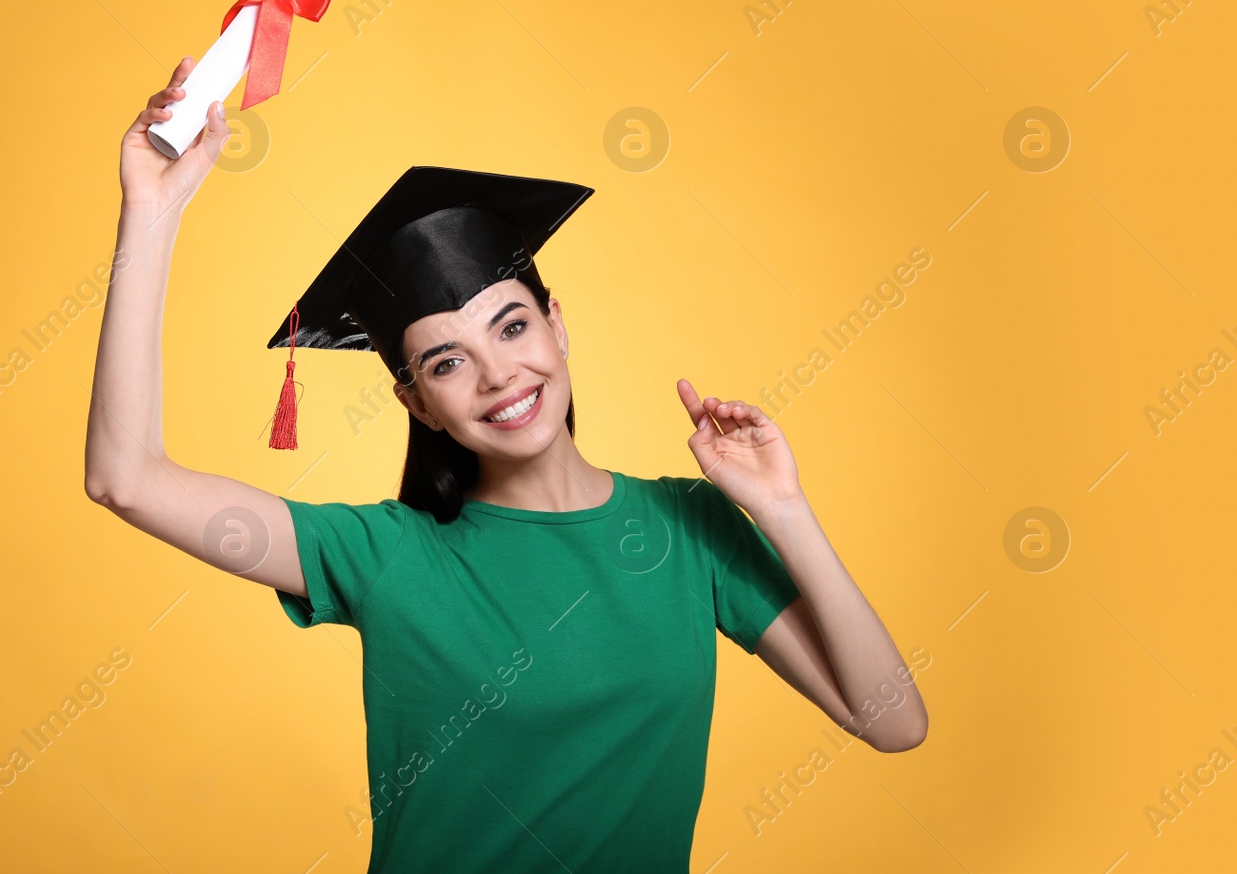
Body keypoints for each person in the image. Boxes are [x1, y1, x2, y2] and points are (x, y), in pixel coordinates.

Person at [85, 60, 929, 872]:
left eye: (513, 327)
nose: (497, 374)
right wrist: (151, 212)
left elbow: (893, 721)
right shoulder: (381, 555)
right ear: (415, 400)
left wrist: (782, 507)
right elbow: (126, 477)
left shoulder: (688, 529)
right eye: (447, 362)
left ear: (557, 325)